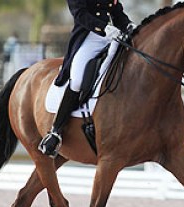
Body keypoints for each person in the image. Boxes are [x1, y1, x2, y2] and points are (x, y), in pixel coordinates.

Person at [38, 0, 134, 158]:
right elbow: (80, 14)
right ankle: (55, 132)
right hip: (90, 36)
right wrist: (104, 28)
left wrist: (129, 25)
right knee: (76, 80)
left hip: (114, 35)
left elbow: (117, 11)